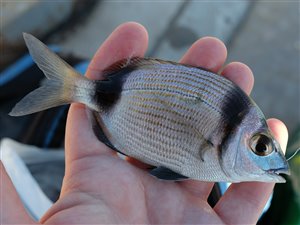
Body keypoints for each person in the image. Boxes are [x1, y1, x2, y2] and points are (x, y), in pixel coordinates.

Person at [1, 22, 288, 224]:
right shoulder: (214, 160)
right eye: (260, 145)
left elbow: (172, 171)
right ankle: (71, 87)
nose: (268, 158)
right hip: (119, 105)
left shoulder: (218, 159)